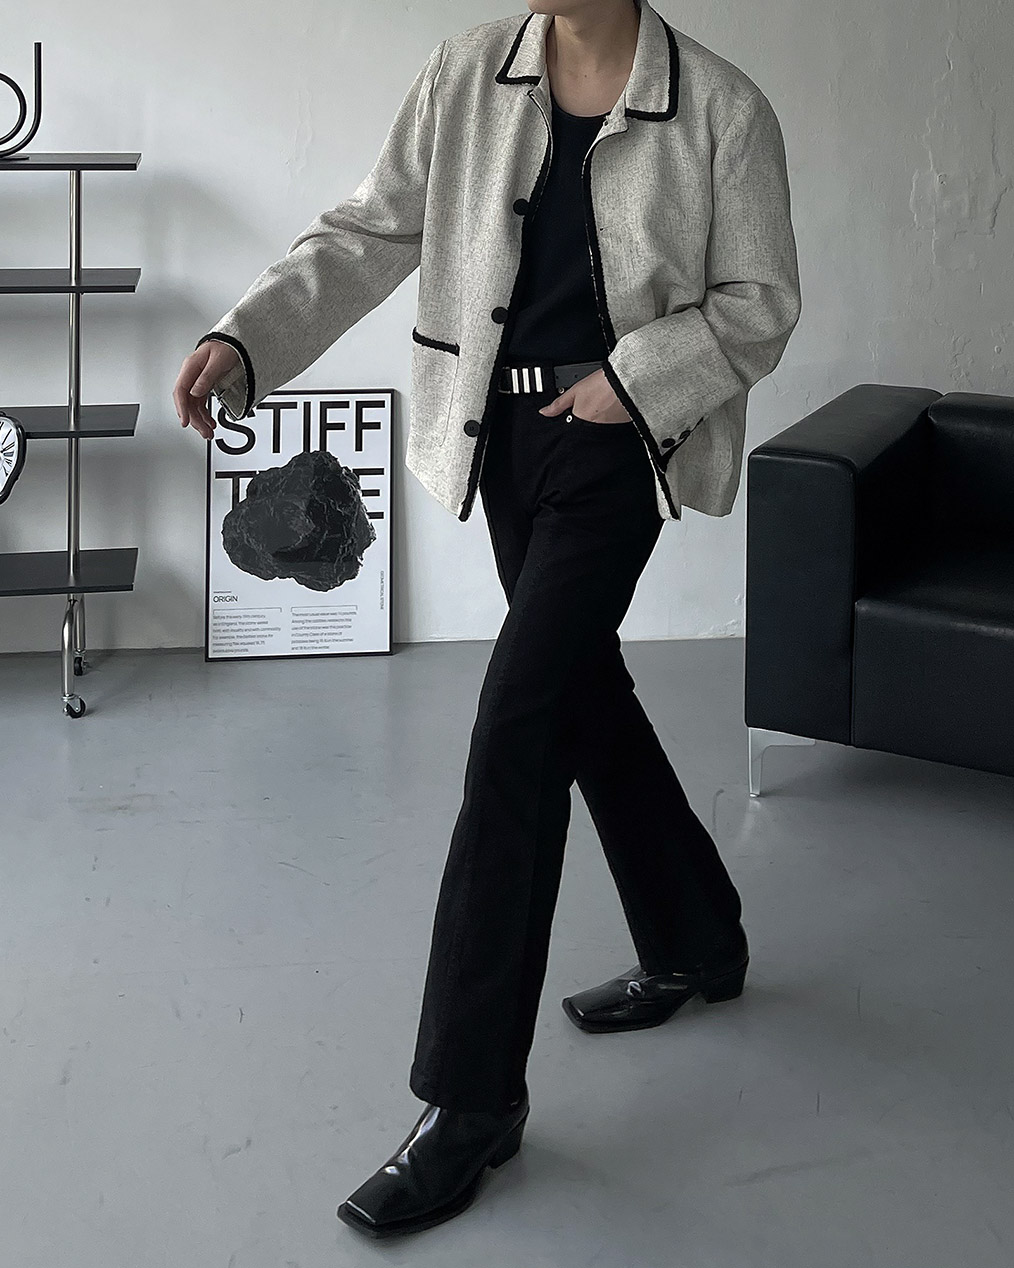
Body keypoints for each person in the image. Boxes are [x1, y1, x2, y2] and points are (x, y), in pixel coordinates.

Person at [173, 0, 801, 1240]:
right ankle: (698, 935)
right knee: (580, 697)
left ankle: (470, 1097)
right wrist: (248, 340)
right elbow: (369, 231)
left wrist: (631, 381)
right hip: (498, 441)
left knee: (516, 723)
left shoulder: (722, 109)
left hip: (620, 445)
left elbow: (761, 301)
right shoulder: (465, 76)